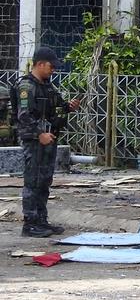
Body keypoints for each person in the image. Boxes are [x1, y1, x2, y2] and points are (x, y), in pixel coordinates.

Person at [13, 46, 79, 238]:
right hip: (34, 140)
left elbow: (57, 106)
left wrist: (69, 107)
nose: (53, 70)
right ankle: (30, 223)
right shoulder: (26, 87)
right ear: (40, 64)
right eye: (51, 66)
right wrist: (39, 133)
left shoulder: (47, 86)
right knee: (33, 181)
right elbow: (24, 115)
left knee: (44, 180)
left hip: (48, 138)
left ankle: (41, 220)